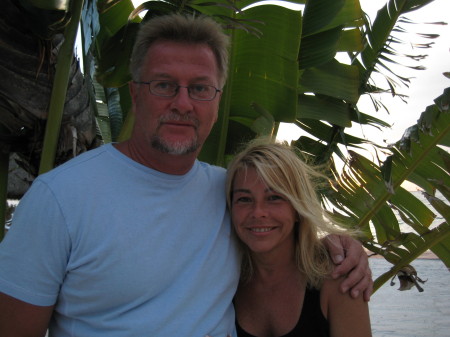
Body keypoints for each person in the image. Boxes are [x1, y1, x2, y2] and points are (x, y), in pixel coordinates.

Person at [0, 14, 372, 337]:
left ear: (218, 100)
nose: (182, 103)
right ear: (135, 92)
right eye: (163, 85)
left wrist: (343, 249)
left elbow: (282, 234)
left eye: (199, 88)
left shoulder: (229, 192)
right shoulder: (60, 197)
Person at [226, 139, 372, 337]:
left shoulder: (338, 278)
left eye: (274, 197)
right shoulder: (223, 280)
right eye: (244, 199)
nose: (258, 212)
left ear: (298, 208)